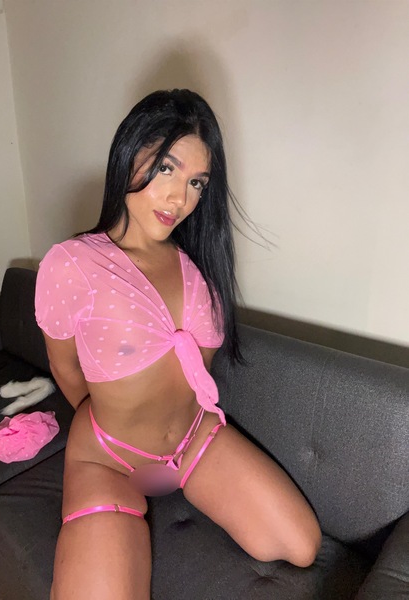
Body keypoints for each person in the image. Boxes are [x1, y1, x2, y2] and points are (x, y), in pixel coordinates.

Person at [35, 89, 321, 600]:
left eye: (196, 183)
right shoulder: (73, 263)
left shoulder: (198, 269)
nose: (178, 199)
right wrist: (108, 423)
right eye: (166, 168)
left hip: (192, 439)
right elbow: (65, 367)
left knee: (299, 545)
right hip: (109, 457)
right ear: (128, 154)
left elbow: (193, 377)